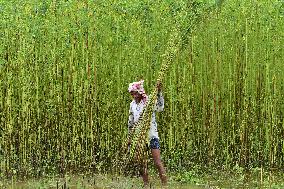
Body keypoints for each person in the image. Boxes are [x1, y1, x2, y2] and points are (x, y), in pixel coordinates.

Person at [127, 80, 167, 188]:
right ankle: (146, 185)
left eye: (135, 93)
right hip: (139, 137)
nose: (134, 96)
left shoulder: (149, 101)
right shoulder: (132, 105)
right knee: (141, 163)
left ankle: (165, 185)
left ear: (140, 92)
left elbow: (160, 107)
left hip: (151, 136)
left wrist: (159, 92)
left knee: (158, 163)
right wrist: (130, 137)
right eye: (132, 93)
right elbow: (131, 122)